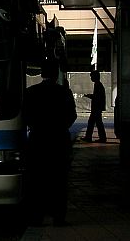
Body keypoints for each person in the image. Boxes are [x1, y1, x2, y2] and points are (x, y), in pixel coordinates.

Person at [24, 58, 77, 226]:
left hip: (38, 140)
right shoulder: (64, 92)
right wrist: (60, 126)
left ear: (42, 73)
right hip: (58, 140)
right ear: (56, 74)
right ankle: (58, 217)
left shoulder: (31, 92)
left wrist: (36, 126)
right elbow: (72, 115)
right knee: (59, 181)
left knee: (37, 181)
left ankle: (37, 216)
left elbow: (26, 116)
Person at [81, 70, 107, 143]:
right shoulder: (98, 84)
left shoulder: (97, 85)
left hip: (96, 108)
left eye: (92, 76)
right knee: (96, 123)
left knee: (94, 123)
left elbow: (97, 97)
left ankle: (91, 137)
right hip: (98, 107)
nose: (91, 78)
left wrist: (89, 96)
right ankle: (100, 137)